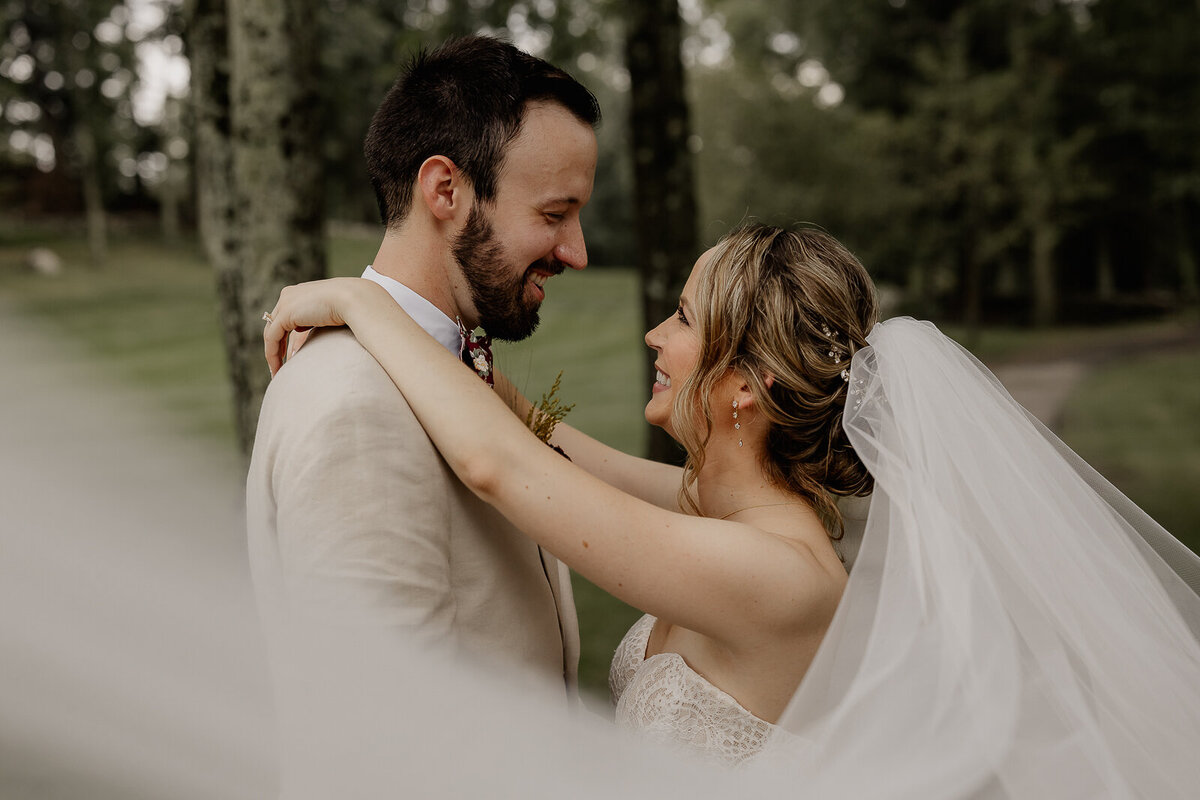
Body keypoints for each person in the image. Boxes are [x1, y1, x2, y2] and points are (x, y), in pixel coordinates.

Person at [262, 223, 1200, 794]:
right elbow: (542, 443)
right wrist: (441, 328)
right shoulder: (731, 515)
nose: (654, 335)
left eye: (680, 317)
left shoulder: (779, 577)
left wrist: (358, 301)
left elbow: (501, 470)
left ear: (742, 386)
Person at [245, 32, 601, 734]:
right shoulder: (354, 408)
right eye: (554, 215)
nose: (577, 253)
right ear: (445, 189)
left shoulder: (455, 367)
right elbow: (386, 739)